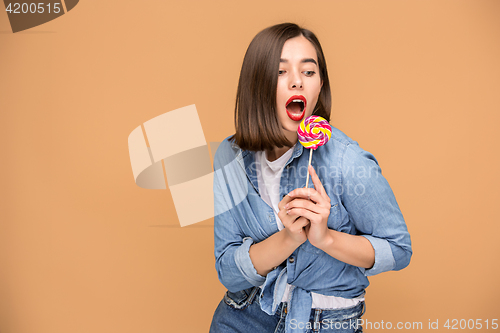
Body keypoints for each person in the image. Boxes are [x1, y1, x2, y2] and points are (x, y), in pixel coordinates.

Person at [209, 22, 412, 333]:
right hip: (242, 316)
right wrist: (289, 238)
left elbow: (398, 250)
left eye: (308, 71)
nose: (297, 83)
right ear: (256, 83)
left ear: (320, 86)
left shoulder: (346, 160)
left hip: (325, 324)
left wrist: (325, 238)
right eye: (280, 72)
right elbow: (228, 271)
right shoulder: (229, 156)